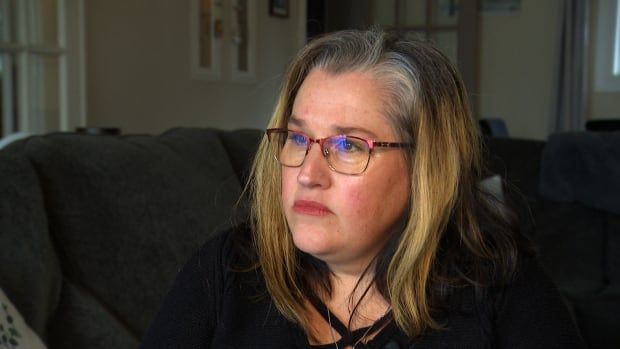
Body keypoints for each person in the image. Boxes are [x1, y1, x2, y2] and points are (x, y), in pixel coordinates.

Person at [141, 29, 584, 348]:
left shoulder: (501, 286)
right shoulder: (227, 269)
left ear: (424, 166)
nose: (308, 173)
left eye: (348, 145)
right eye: (298, 138)